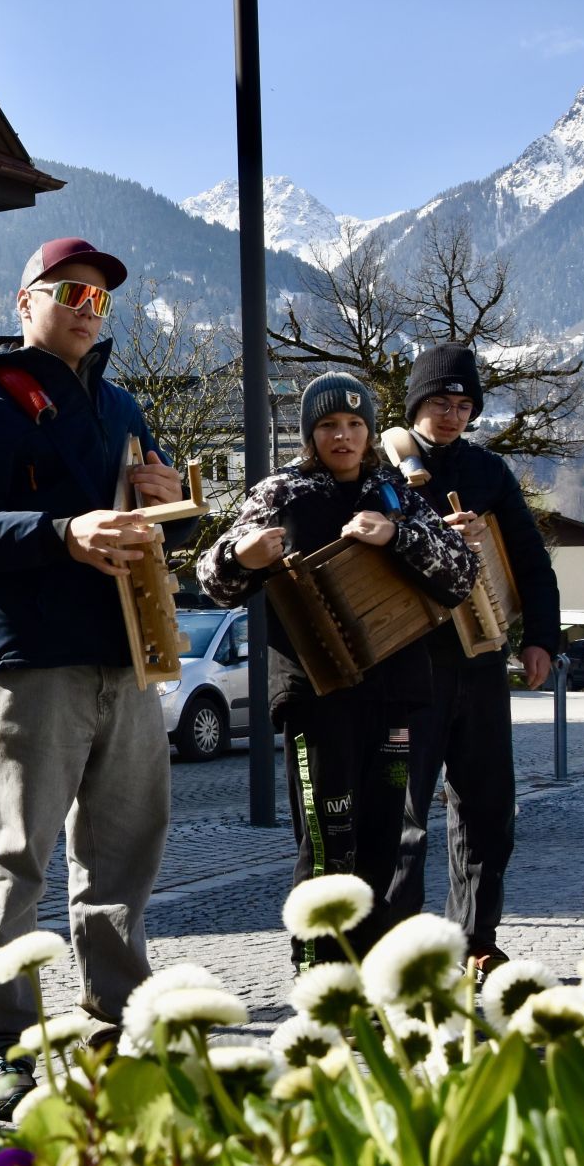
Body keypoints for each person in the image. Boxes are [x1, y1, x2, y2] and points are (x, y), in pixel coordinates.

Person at [0, 238, 191, 1114]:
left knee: (125, 856)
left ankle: (116, 1023)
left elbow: (159, 532)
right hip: (34, 659)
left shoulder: (122, 405)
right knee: (18, 856)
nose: (86, 305)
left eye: (101, 298)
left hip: (130, 656)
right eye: (69, 290)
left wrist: (166, 509)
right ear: (25, 300)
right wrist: (59, 532)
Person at [198, 372, 477, 967]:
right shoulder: (281, 493)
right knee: (327, 837)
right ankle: (319, 971)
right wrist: (239, 556)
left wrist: (397, 535)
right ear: (309, 433)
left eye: (354, 424)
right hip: (315, 694)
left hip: (395, 691)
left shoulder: (395, 491)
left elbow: (460, 575)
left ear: (371, 431)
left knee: (383, 840)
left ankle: (370, 970)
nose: (343, 436)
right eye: (328, 425)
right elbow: (212, 579)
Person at [379, 343, 561, 978]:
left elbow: (532, 561)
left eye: (463, 405)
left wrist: (541, 637)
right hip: (409, 665)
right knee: (403, 815)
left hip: (481, 659)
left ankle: (477, 937)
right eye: (438, 403)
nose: (452, 415)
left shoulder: (489, 471)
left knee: (487, 807)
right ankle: (403, 949)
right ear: (416, 407)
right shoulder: (382, 470)